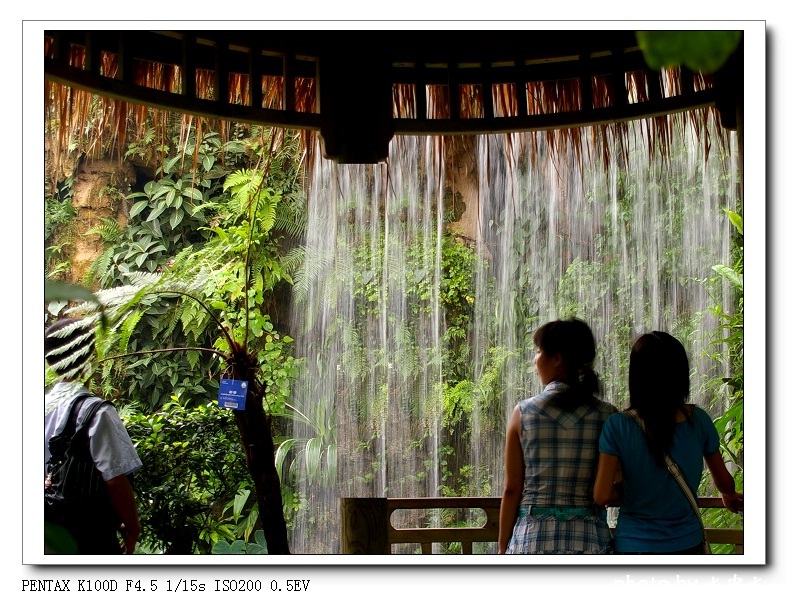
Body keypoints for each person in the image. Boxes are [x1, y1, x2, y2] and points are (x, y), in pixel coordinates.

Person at [593, 331, 744, 554]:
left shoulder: (618, 425)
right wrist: (728, 495)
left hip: (634, 546)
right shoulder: (699, 420)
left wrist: (638, 490)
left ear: (636, 376)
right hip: (687, 544)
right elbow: (724, 482)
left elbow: (601, 495)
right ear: (681, 374)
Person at [498, 318, 617, 554]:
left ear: (557, 358)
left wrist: (502, 548)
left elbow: (512, 489)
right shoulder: (608, 416)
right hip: (589, 541)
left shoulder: (522, 413)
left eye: (539, 351)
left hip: (531, 541)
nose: (535, 360)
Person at [44, 317, 142, 554]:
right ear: (89, 356)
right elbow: (115, 479)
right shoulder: (97, 412)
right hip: (89, 537)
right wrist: (133, 527)